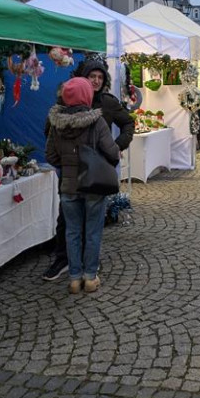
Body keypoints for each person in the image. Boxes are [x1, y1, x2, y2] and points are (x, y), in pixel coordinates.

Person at [42, 56, 135, 281]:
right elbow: (49, 133)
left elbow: (127, 124)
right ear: (83, 79)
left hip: (94, 173)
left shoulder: (108, 103)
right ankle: (70, 263)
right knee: (69, 223)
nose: (95, 81)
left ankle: (82, 269)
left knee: (88, 224)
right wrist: (68, 159)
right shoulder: (64, 104)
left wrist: (116, 148)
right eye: (91, 76)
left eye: (99, 77)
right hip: (72, 175)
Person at [46, 77, 120, 294]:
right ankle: (90, 277)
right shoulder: (96, 121)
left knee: (72, 232)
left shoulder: (56, 123)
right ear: (87, 96)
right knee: (93, 231)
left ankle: (74, 279)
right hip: (93, 186)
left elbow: (50, 155)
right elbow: (112, 151)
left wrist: (68, 165)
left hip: (68, 186)